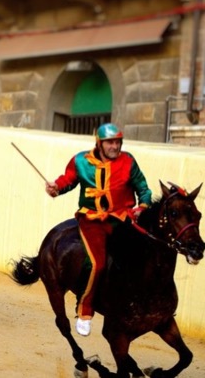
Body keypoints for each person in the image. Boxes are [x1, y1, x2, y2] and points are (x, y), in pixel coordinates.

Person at [45, 123, 152, 337]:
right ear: (99, 143)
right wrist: (56, 187)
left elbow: (143, 188)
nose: (115, 146)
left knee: (144, 256)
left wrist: (143, 206)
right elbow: (68, 180)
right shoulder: (81, 161)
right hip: (92, 219)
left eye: (118, 142)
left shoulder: (128, 161)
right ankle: (85, 311)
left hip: (122, 217)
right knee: (97, 264)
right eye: (110, 142)